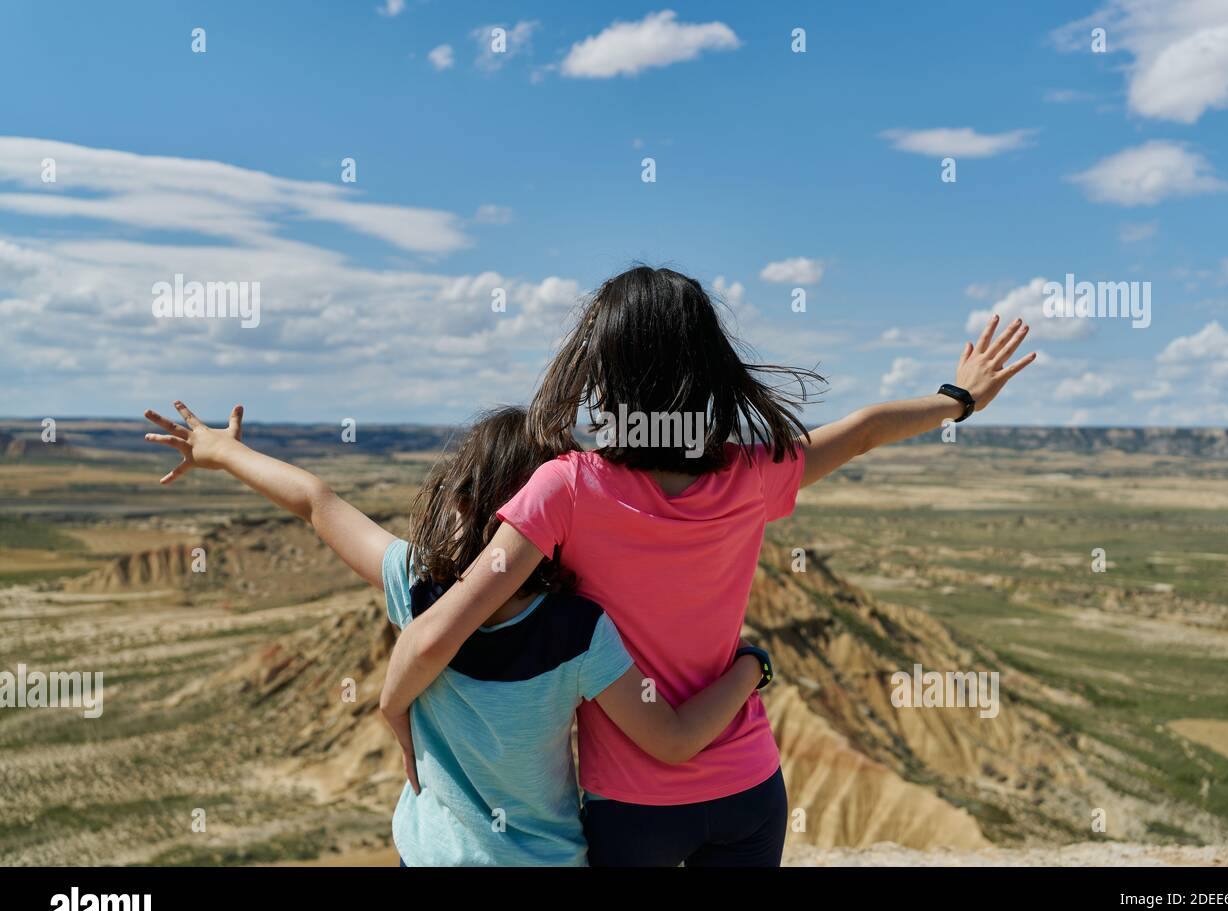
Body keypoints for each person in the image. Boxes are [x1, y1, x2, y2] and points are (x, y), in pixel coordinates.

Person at [378, 265, 1034, 866]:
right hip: (750, 790)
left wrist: (398, 715)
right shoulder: (752, 474)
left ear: (607, 374)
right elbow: (863, 430)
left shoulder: (565, 488)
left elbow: (441, 629)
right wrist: (958, 399)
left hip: (633, 810)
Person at [143, 401, 772, 866]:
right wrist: (750, 666)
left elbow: (315, 501)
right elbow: (674, 740)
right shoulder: (580, 631)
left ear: (463, 499)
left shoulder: (414, 584)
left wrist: (222, 451)